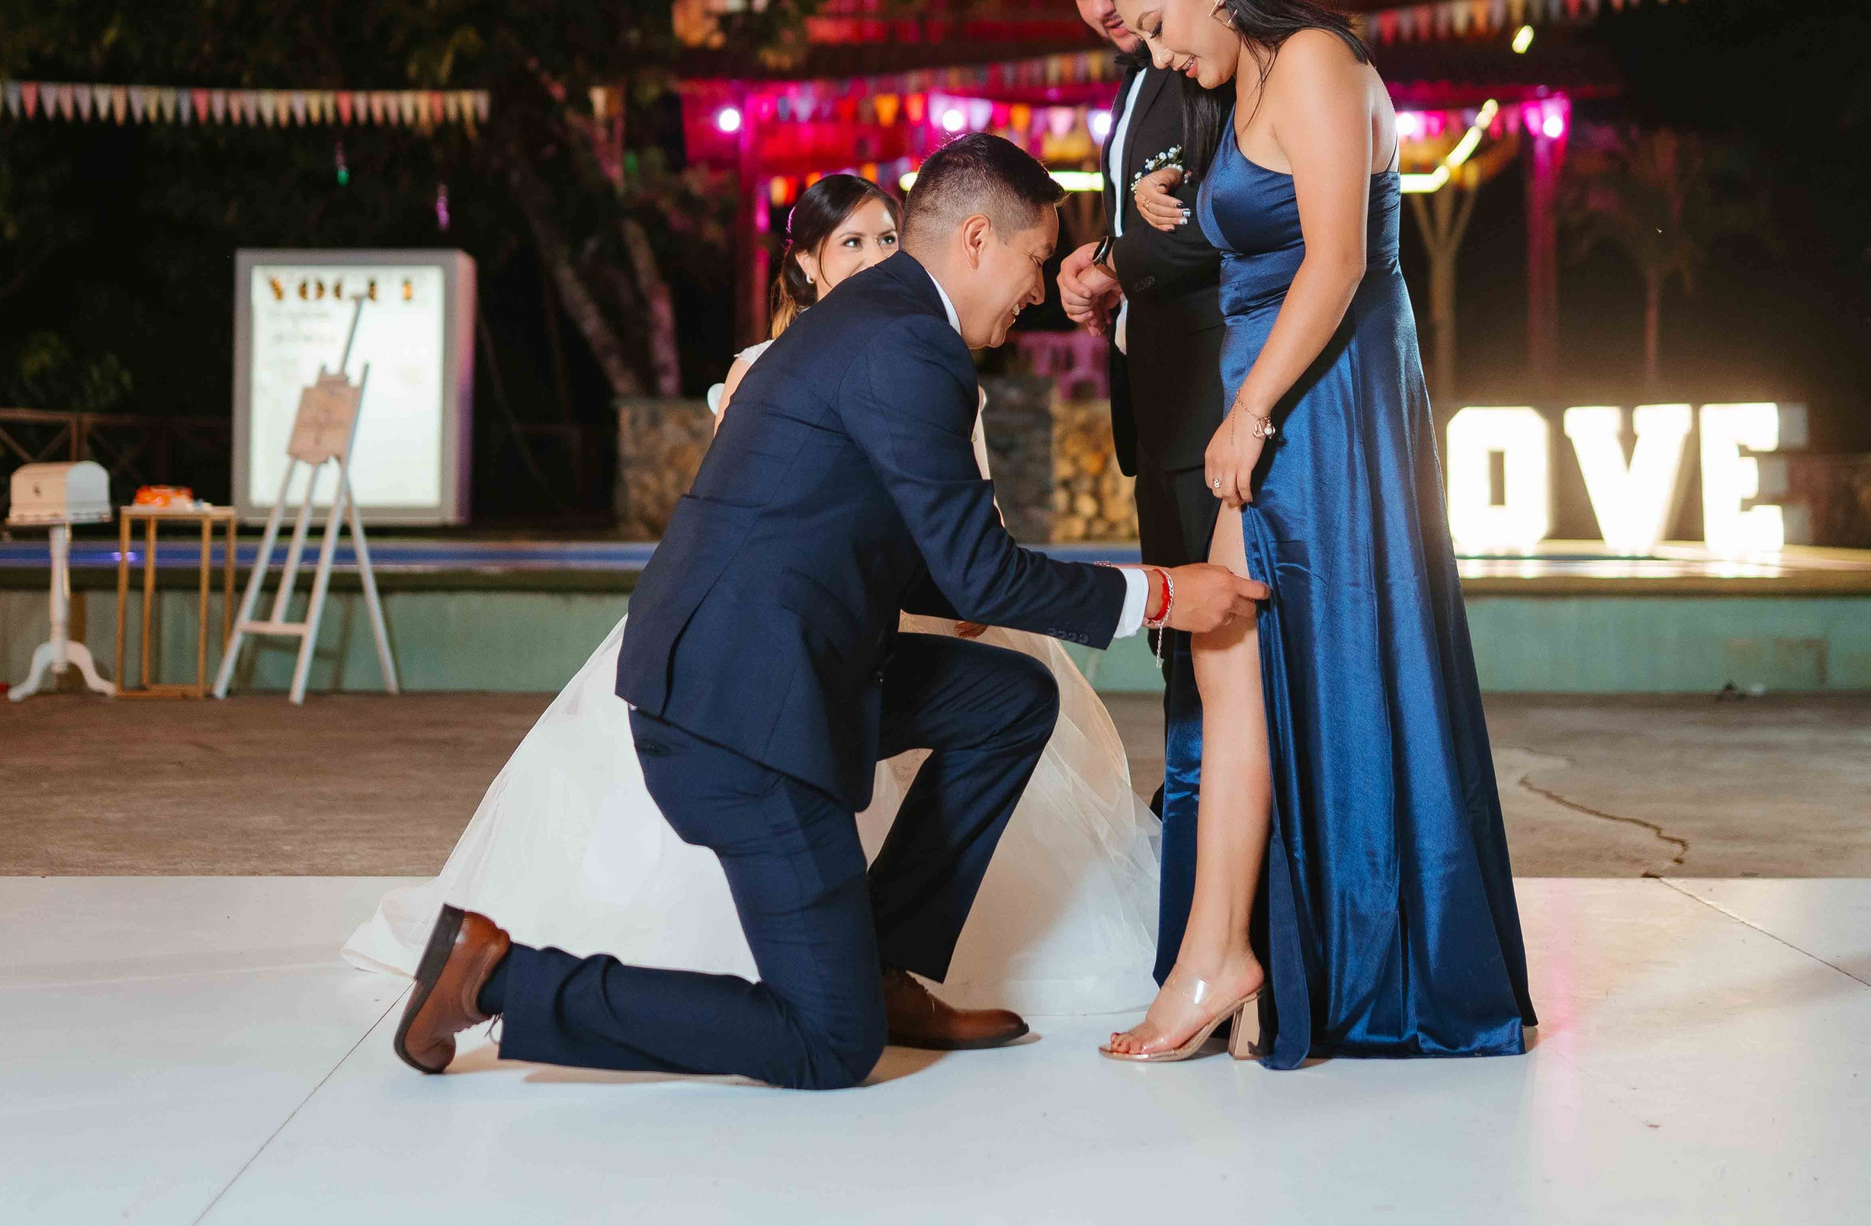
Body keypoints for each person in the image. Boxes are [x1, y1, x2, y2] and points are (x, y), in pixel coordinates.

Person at [393, 134, 1271, 1090]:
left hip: (785, 665)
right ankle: (499, 977)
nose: (1034, 290)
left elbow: (861, 527)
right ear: (977, 239)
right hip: (738, 717)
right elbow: (978, 572)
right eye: (1031, 259)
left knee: (1011, 699)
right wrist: (1170, 592)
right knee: (829, 1043)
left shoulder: (880, 317)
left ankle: (883, 962)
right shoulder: (908, 341)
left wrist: (974, 586)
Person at [1099, 0, 1535, 1068]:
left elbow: (1336, 261)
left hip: (1325, 406)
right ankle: (1223, 956)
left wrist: (1246, 414)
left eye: (1153, 26)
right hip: (1273, 402)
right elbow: (1247, 247)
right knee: (1230, 659)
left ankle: (1241, 960)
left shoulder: (1314, 65)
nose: (1156, 54)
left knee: (1300, 664)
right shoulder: (1240, 78)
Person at [1044, 0, 1233, 984]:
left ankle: (1211, 918)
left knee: (1212, 662)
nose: (1100, 5)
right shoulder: (1137, 81)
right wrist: (1099, 256)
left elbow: (1227, 217)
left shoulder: (1201, 59)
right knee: (1180, 659)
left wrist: (1111, 259)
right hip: (1158, 411)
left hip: (1214, 415)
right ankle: (1193, 912)